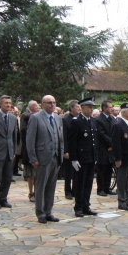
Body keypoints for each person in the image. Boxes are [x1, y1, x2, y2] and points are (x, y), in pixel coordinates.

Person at [26, 95, 64, 223]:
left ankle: (48, 211)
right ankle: (40, 212)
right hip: (42, 158)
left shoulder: (58, 118)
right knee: (41, 186)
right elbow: (30, 139)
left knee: (51, 186)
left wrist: (61, 154)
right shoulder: (35, 118)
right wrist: (33, 158)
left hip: (55, 157)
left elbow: (60, 138)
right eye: (49, 103)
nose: (52, 105)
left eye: (54, 102)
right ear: (42, 104)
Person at [69, 97, 98, 217]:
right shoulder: (76, 121)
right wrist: (74, 159)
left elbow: (94, 140)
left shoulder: (92, 121)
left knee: (88, 183)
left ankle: (86, 205)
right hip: (81, 158)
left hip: (90, 157)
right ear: (82, 108)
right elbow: (73, 141)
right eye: (89, 107)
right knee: (80, 183)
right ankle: (79, 206)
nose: (91, 109)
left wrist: (95, 156)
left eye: (92, 107)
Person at [95, 100, 116, 197]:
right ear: (104, 108)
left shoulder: (112, 119)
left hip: (111, 149)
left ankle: (107, 188)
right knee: (102, 170)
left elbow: (115, 132)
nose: (111, 109)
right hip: (103, 149)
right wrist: (111, 144)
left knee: (109, 169)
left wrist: (113, 145)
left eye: (112, 107)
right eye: (109, 107)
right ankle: (101, 189)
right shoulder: (99, 120)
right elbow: (101, 134)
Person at [20, 101, 40, 202]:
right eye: (36, 106)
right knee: (31, 175)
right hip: (28, 152)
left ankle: (37, 192)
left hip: (38, 152)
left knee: (36, 174)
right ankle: (31, 192)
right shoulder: (25, 127)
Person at [62, 100, 80, 200]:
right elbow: (64, 136)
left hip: (78, 150)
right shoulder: (65, 119)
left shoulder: (80, 119)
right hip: (69, 149)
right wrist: (65, 151)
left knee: (77, 172)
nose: (79, 108)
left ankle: (75, 191)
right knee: (69, 173)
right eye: (77, 107)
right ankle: (68, 191)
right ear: (71, 108)